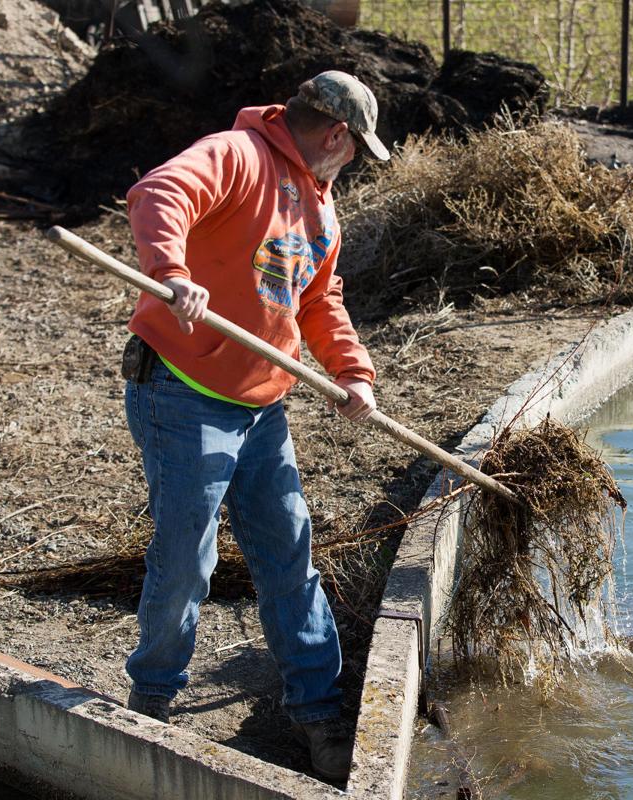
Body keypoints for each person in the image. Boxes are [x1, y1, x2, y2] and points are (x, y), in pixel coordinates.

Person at [118, 70, 390, 783]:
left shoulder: (322, 209)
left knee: (288, 550)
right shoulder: (237, 156)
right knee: (186, 556)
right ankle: (152, 699)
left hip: (261, 405)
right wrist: (171, 270)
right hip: (182, 390)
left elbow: (319, 300)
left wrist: (352, 372)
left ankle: (317, 708)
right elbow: (158, 194)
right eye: (356, 149)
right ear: (337, 136)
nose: (353, 163)